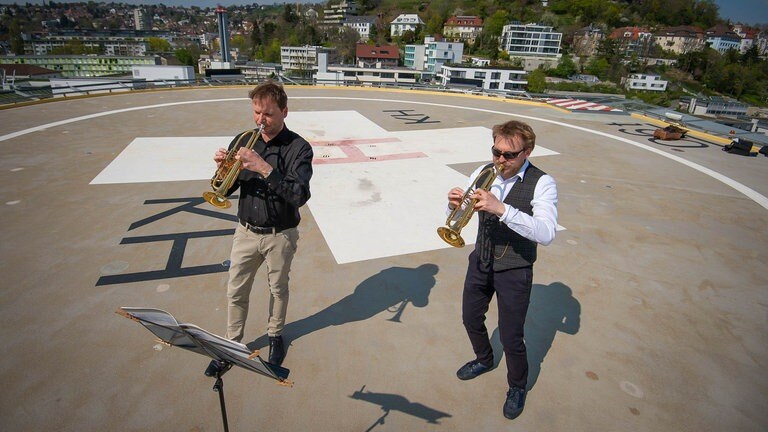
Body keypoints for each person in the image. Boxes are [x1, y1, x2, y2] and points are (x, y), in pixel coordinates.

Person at [446, 120, 558, 420]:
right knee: (470, 318)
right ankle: (484, 359)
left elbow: (546, 233)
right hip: (480, 261)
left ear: (527, 152)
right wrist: (453, 206)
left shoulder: (542, 182)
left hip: (515, 269)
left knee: (511, 336)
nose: (500, 161)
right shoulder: (483, 173)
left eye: (509, 155)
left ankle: (517, 385)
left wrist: (502, 209)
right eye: (496, 152)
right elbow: (462, 213)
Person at [212, 81, 313, 367]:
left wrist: (263, 167)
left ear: (284, 112)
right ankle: (231, 344)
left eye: (267, 114)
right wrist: (222, 169)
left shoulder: (299, 148)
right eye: (256, 112)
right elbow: (226, 188)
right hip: (245, 232)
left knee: (278, 289)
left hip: (279, 234)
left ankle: (274, 335)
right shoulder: (243, 140)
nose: (260, 120)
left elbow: (299, 195)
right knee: (235, 291)